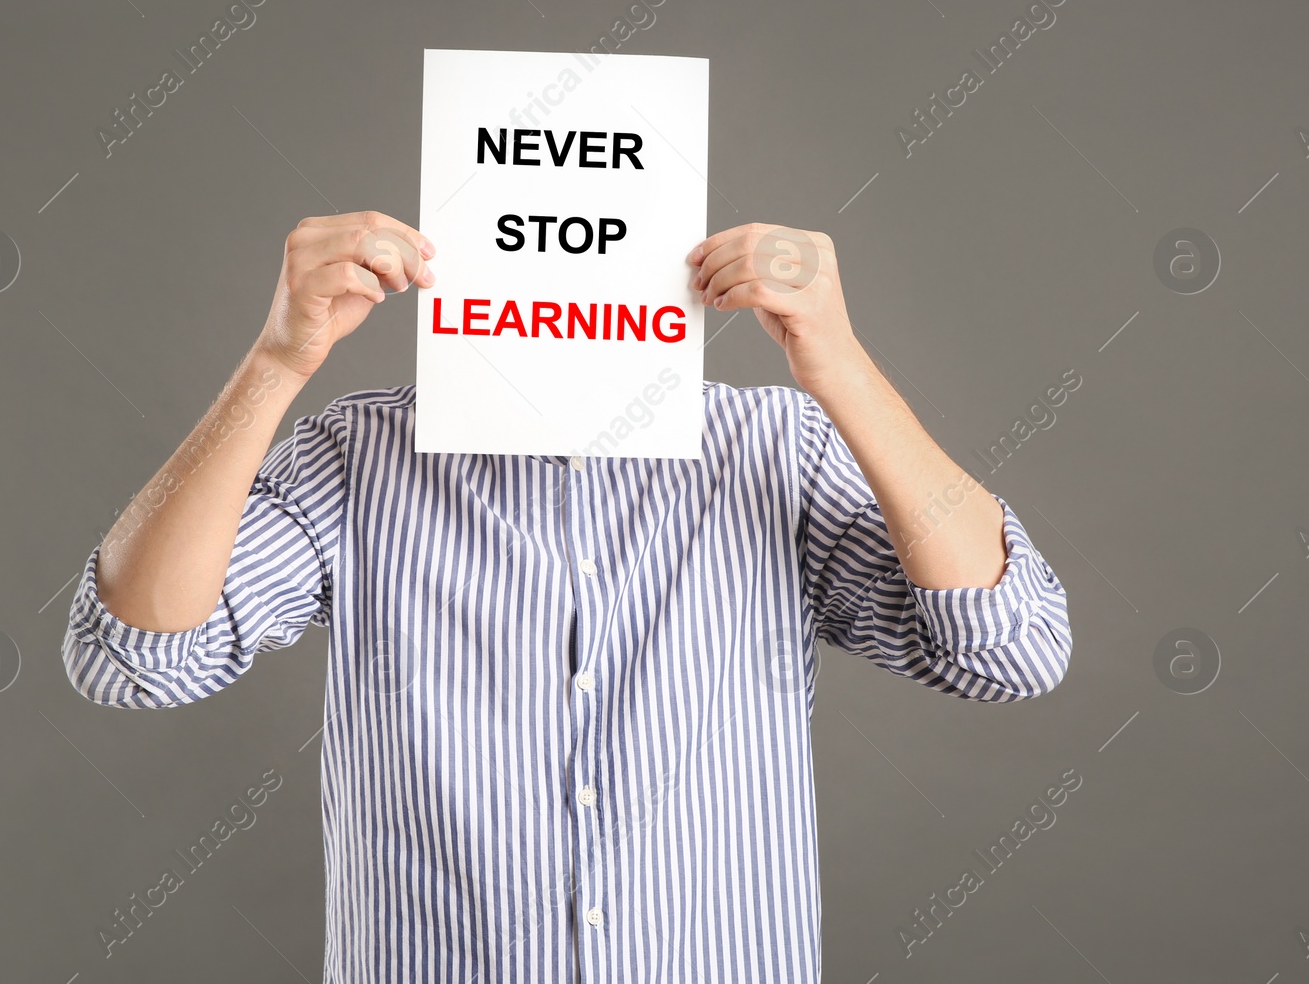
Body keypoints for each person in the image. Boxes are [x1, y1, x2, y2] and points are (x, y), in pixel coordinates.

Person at [62, 211, 1071, 982]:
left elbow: (1009, 646)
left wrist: (837, 364)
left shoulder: (775, 450)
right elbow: (134, 658)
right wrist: (278, 358)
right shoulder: (356, 456)